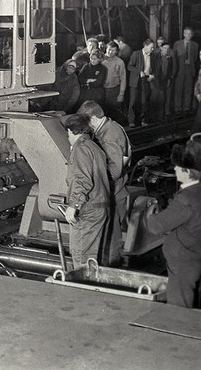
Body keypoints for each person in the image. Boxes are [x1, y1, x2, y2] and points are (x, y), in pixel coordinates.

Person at [146, 136, 201, 308]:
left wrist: (151, 213)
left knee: (179, 309)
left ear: (188, 172)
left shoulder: (186, 199)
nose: (175, 168)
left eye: (179, 166)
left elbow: (157, 226)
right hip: (195, 254)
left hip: (184, 262)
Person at [77, 100, 132, 267]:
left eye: (86, 123)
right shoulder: (106, 129)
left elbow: (114, 171)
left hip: (114, 194)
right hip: (111, 193)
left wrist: (90, 177)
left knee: (111, 239)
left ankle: (109, 276)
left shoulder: (110, 135)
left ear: (93, 119)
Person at [63, 114, 110, 268]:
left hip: (88, 210)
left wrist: (72, 206)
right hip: (98, 207)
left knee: (81, 255)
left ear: (71, 131)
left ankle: (82, 288)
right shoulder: (94, 146)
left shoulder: (81, 149)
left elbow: (82, 180)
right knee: (90, 256)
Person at [128, 38, 159, 126]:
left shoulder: (153, 56)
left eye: (153, 48)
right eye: (151, 47)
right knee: (133, 101)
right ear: (145, 46)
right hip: (136, 81)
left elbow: (156, 69)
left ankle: (143, 120)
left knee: (144, 101)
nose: (152, 49)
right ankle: (132, 121)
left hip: (146, 80)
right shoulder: (136, 54)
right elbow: (129, 66)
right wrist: (139, 72)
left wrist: (153, 75)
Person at [172, 26, 200, 115]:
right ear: (184, 34)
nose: (189, 35)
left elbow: (196, 59)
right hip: (179, 69)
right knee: (178, 90)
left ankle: (186, 108)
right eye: (187, 33)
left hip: (190, 70)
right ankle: (177, 108)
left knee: (188, 90)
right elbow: (174, 58)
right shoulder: (177, 44)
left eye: (190, 34)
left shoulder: (195, 45)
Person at [102, 42, 127, 125]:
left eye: (113, 50)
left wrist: (121, 94)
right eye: (109, 49)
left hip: (114, 91)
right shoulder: (100, 59)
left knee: (114, 113)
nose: (110, 52)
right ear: (106, 49)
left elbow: (123, 79)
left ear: (116, 51)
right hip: (101, 90)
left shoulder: (120, 62)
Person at [155, 41, 177, 120]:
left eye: (168, 48)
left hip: (167, 80)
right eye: (164, 48)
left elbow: (173, 69)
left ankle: (166, 113)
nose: (166, 50)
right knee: (160, 98)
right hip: (158, 81)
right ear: (161, 48)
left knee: (168, 96)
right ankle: (159, 115)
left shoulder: (170, 58)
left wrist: (170, 78)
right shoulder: (156, 57)